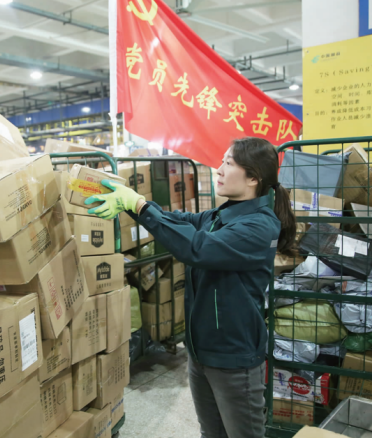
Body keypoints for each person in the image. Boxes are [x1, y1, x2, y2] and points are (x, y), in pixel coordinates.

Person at [85, 137, 297, 438]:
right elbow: (177, 220)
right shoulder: (220, 216)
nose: (219, 169)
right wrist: (132, 204)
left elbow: (197, 248)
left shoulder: (259, 227)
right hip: (200, 352)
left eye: (228, 163)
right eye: (222, 161)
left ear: (253, 178)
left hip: (233, 357)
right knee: (211, 433)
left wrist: (140, 206)